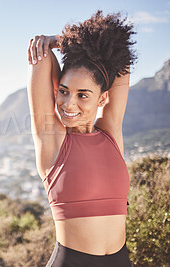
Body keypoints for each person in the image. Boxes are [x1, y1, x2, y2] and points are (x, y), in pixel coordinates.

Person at [27, 11, 137, 266]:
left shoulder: (110, 132)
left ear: (102, 99)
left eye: (82, 95)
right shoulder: (52, 140)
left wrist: (68, 41)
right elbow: (41, 59)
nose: (68, 103)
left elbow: (123, 60)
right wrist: (56, 43)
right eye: (63, 91)